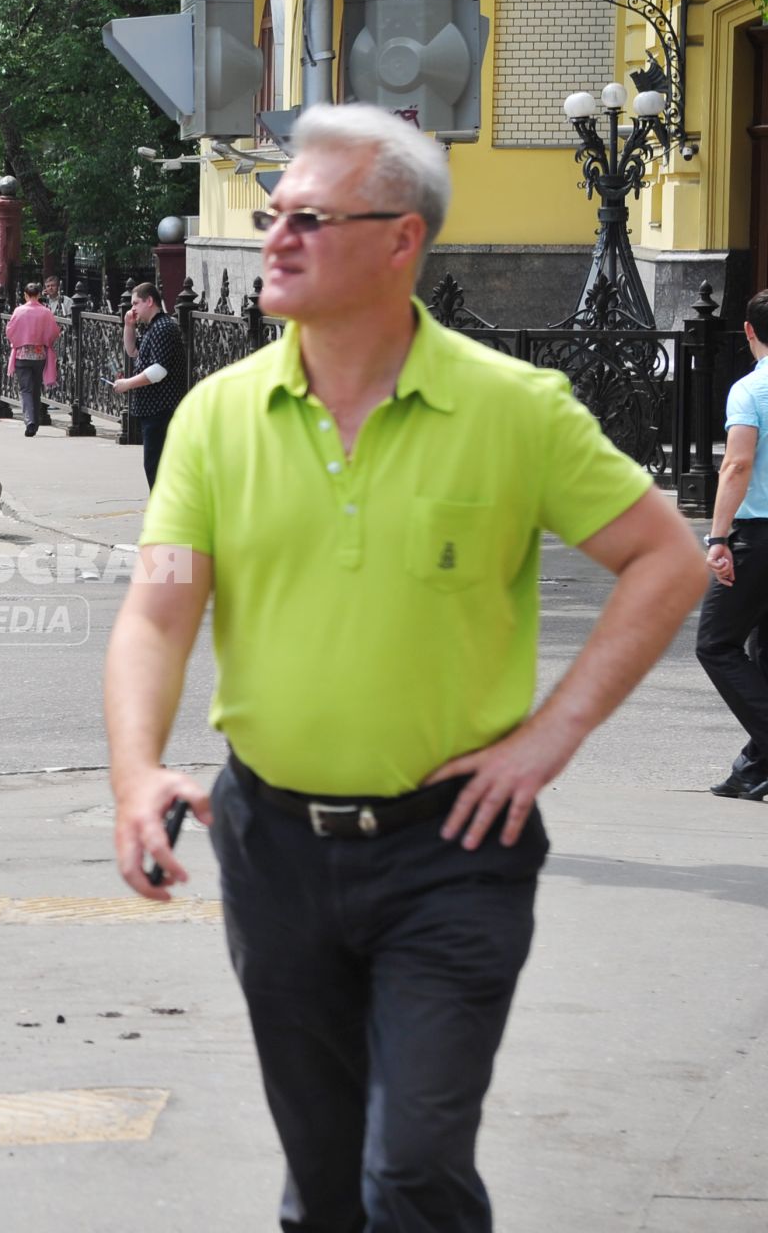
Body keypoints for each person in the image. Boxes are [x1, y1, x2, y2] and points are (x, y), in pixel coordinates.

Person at [103, 103, 704, 1232]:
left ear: (399, 242)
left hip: (453, 851)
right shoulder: (217, 418)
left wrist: (550, 734)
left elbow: (666, 560)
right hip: (273, 844)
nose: (273, 235)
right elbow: (159, 610)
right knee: (325, 1190)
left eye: (307, 218)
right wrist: (136, 772)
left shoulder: (515, 409)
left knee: (414, 1171)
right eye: (273, 213)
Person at [696, 288, 768, 797]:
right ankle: (754, 768)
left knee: (716, 643)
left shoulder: (751, 390)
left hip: (759, 535)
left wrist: (718, 536)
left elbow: (738, 464)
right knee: (763, 650)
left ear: (749, 331)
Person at [112, 283, 183, 486]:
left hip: (161, 409)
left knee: (156, 467)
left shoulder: (163, 328)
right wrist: (129, 326)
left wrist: (127, 384)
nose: (132, 309)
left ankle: (164, 513)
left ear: (149, 301)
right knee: (153, 465)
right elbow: (133, 351)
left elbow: (158, 371)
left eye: (136, 303)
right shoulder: (153, 327)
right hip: (153, 409)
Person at [4, 282, 60, 436]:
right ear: (39, 295)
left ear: (25, 295)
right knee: (35, 389)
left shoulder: (19, 311)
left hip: (22, 354)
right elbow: (54, 332)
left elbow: (9, 331)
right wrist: (44, 341)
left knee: (25, 390)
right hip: (39, 354)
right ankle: (35, 421)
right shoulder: (46, 312)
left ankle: (30, 421)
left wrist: (19, 341)